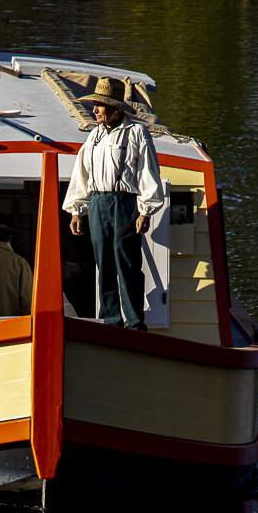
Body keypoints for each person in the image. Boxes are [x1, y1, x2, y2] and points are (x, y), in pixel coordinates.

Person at [63, 77, 164, 330]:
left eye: (99, 106)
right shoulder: (94, 136)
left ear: (116, 109)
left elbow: (148, 173)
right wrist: (77, 210)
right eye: (95, 105)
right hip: (97, 202)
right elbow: (82, 174)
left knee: (127, 261)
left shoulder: (136, 133)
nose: (94, 110)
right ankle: (111, 321)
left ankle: (133, 322)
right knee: (103, 263)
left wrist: (146, 211)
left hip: (124, 202)